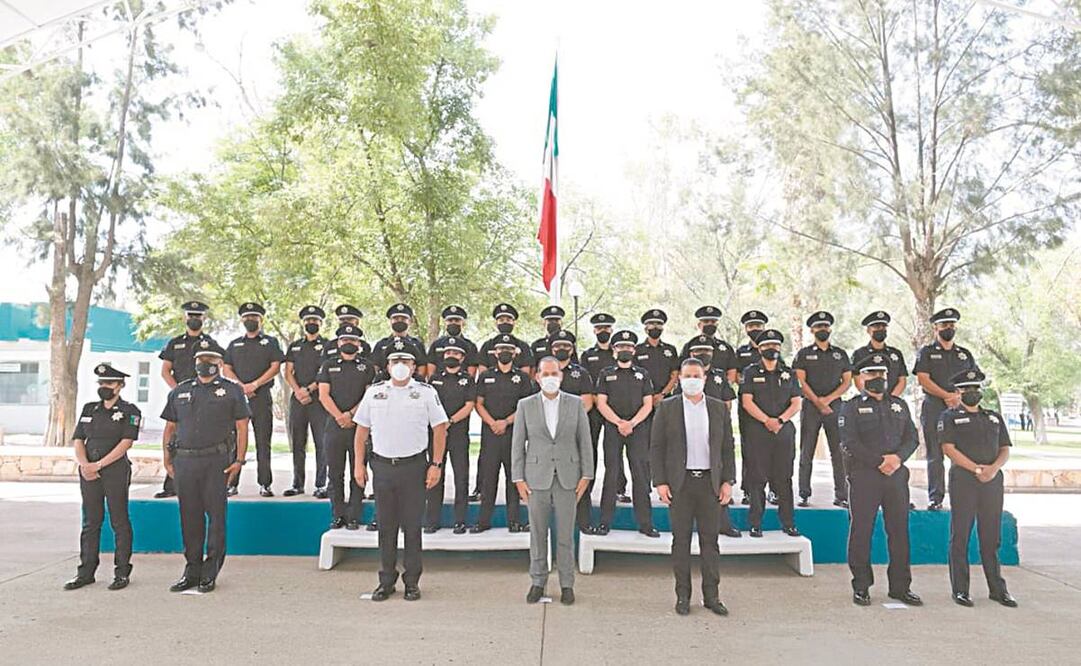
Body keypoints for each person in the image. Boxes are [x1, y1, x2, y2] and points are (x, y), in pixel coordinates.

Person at [352, 349, 448, 602]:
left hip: (414, 468)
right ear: (387, 365)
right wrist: (358, 466)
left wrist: (436, 464)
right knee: (385, 527)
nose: (400, 365)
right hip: (382, 467)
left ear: (414, 366)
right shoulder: (374, 392)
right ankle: (386, 580)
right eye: (395, 361)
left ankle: (412, 582)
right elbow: (361, 432)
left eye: (405, 361)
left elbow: (440, 429)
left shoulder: (426, 392)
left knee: (413, 527)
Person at [160, 339, 250, 594]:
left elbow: (242, 426)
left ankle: (210, 571)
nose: (205, 365)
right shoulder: (181, 390)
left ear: (220, 364)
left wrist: (239, 461)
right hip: (185, 461)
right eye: (201, 361)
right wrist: (167, 458)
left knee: (216, 518)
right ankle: (191, 570)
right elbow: (170, 427)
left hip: (216, 462)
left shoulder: (232, 390)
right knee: (189, 518)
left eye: (211, 361)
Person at [651, 358, 736, 616]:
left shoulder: (718, 408)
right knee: (681, 542)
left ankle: (712, 596)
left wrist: (728, 481)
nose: (691, 380)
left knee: (710, 542)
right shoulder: (667, 408)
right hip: (680, 484)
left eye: (696, 375)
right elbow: (656, 448)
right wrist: (661, 482)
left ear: (704, 378)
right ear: (679, 379)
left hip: (710, 484)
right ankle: (683, 596)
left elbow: (728, 448)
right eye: (686, 375)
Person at [839, 353, 922, 607]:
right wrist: (879, 462)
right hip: (865, 476)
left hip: (896, 477)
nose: (878, 378)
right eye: (871, 374)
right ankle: (861, 586)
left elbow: (912, 438)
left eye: (882, 374)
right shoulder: (850, 407)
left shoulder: (899, 404)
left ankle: (900, 587)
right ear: (860, 378)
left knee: (898, 532)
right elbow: (850, 442)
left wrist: (896, 459)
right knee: (862, 531)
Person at [512, 357, 593, 606]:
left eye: (554, 373)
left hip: (568, 478)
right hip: (536, 479)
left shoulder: (575, 404)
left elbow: (585, 441)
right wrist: (518, 478)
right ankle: (538, 581)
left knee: (566, 535)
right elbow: (518, 444)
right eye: (545, 373)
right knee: (537, 534)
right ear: (537, 376)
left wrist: (586, 475)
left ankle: (567, 584)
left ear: (561, 376)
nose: (550, 377)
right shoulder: (525, 405)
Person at [940, 369, 1017, 608]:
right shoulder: (949, 417)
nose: (971, 392)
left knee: (991, 536)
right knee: (961, 535)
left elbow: (1004, 447)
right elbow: (948, 448)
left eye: (975, 388)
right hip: (964, 480)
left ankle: (997, 589)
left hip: (992, 481)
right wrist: (976, 469)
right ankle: (961, 590)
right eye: (965, 389)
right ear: (958, 392)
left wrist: (993, 469)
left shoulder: (993, 417)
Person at [64, 364, 141, 591]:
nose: (104, 387)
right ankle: (86, 572)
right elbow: (78, 439)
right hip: (89, 472)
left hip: (114, 470)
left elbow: (126, 442)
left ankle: (121, 572)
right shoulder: (89, 409)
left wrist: (99, 464)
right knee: (90, 522)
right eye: (101, 383)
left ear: (120, 385)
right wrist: (85, 465)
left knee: (119, 520)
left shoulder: (130, 410)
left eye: (109, 383)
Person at [675, 336, 742, 538]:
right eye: (697, 352)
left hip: (715, 429)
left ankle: (724, 524)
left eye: (706, 351)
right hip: (691, 430)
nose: (702, 355)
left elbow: (728, 400)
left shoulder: (719, 375)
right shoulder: (687, 377)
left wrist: (720, 421)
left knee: (718, 478)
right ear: (691, 354)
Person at [913, 308, 979, 510]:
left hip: (960, 409)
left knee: (962, 453)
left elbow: (974, 380)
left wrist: (958, 398)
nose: (948, 328)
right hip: (934, 406)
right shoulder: (927, 352)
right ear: (936, 328)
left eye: (951, 325)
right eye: (944, 325)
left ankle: (964, 496)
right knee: (935, 454)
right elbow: (923, 379)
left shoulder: (964, 354)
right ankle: (936, 497)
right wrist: (946, 396)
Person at [739, 329, 801, 538]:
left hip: (783, 432)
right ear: (759, 348)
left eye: (775, 345)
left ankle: (788, 523)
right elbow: (747, 402)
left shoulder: (789, 373)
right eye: (766, 346)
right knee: (757, 479)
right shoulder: (750, 372)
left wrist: (780, 420)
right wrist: (767, 420)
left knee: (784, 479)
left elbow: (796, 402)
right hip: (758, 431)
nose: (771, 349)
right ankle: (755, 524)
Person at [595, 330, 657, 537]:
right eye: (620, 347)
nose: (625, 350)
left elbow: (648, 404)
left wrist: (632, 423)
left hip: (638, 429)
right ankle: (605, 522)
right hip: (613, 428)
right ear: (614, 351)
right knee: (611, 474)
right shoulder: (605, 374)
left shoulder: (643, 374)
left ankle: (646, 524)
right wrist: (619, 422)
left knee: (640, 475)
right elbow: (600, 403)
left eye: (629, 347)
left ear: (634, 350)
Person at [472, 335, 537, 532]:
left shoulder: (523, 378)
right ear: (495, 353)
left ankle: (514, 521)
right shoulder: (485, 376)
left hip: (513, 434)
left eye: (509, 349)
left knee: (514, 478)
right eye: (501, 349)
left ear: (515, 353)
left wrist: (506, 422)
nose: (504, 352)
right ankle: (483, 522)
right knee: (488, 480)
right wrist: (493, 423)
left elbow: (526, 406)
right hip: (490, 433)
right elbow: (478, 403)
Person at [154, 300, 217, 499]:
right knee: (174, 438)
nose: (194, 319)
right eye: (191, 315)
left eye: (198, 316)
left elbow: (218, 368)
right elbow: (165, 371)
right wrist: (178, 391)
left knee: (202, 438)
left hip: (205, 398)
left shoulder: (210, 343)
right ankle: (171, 482)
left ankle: (204, 484)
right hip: (180, 398)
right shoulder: (174, 343)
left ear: (203, 319)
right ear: (185, 317)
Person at [317, 324, 377, 530]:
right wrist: (339, 416)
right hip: (334, 426)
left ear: (359, 344)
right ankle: (338, 515)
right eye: (345, 340)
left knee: (358, 470)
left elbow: (369, 396)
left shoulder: (367, 366)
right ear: (338, 343)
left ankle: (354, 515)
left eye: (353, 341)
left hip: (359, 426)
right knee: (334, 473)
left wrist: (351, 414)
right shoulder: (328, 365)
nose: (349, 343)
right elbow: (323, 394)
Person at [223, 302, 284, 497]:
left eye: (254, 317)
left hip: (261, 396)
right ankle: (231, 483)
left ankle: (265, 484)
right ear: (241, 320)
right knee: (234, 440)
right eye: (247, 317)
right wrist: (241, 386)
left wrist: (255, 385)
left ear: (261, 319)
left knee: (263, 441)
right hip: (238, 398)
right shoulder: (234, 344)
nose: (250, 320)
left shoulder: (271, 342)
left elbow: (275, 366)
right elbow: (226, 368)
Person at [792, 311, 852, 508]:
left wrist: (828, 399)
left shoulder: (840, 354)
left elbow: (847, 382)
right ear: (812, 330)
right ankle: (803, 493)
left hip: (835, 406)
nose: (822, 330)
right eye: (819, 327)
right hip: (810, 406)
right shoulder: (804, 354)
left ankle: (841, 494)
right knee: (806, 450)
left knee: (839, 451)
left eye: (825, 326)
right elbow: (800, 380)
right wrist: (818, 401)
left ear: (830, 329)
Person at [424, 338, 476, 534]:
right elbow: (429, 405)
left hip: (458, 434)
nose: (450, 356)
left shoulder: (468, 380)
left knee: (461, 477)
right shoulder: (434, 379)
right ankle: (431, 520)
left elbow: (469, 405)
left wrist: (449, 422)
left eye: (455, 354)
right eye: (447, 354)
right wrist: (439, 424)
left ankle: (460, 521)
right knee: (435, 475)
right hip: (436, 436)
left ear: (462, 358)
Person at [580, 312, 628, 504]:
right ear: (594, 331)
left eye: (606, 328)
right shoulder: (587, 355)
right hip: (592, 410)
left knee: (615, 452)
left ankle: (619, 488)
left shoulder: (618, 353)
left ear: (611, 330)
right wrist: (594, 400)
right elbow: (584, 380)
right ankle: (586, 489)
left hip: (612, 411)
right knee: (589, 449)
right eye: (599, 329)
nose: (603, 331)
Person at [283, 305, 329, 498]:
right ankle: (297, 483)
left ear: (320, 323)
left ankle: (321, 484)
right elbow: (288, 372)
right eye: (308, 321)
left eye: (315, 321)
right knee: (298, 443)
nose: (311, 323)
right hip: (298, 400)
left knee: (322, 443)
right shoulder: (295, 346)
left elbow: (325, 372)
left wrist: (309, 389)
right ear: (303, 323)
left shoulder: (327, 345)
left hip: (319, 400)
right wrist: (298, 391)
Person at [734, 310, 768, 506]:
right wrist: (752, 384)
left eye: (758, 325)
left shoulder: (772, 349)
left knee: (772, 451)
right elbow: (736, 376)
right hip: (748, 406)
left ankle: (772, 490)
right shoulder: (741, 352)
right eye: (751, 326)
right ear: (746, 329)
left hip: (772, 407)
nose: (754, 329)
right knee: (749, 448)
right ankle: (748, 490)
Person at [851, 311, 908, 397]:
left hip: (892, 401)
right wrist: (872, 398)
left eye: (883, 327)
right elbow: (857, 380)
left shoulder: (896, 354)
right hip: (869, 401)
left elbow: (902, 380)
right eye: (877, 327)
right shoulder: (859, 354)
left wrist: (890, 400)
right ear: (868, 330)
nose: (881, 329)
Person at [636, 308, 680, 404]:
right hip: (642, 399)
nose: (655, 327)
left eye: (659, 324)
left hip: (666, 398)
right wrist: (648, 396)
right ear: (646, 329)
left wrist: (663, 394)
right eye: (652, 324)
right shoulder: (637, 350)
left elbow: (675, 375)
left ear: (662, 328)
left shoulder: (671, 349)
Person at [371, 303, 428, 377]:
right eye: (396, 319)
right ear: (390, 321)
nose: (399, 321)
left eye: (404, 319)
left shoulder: (417, 344)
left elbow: (422, 368)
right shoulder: (381, 344)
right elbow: (375, 368)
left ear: (410, 321)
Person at [477, 303, 534, 375]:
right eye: (501, 320)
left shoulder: (523, 346)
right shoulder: (487, 346)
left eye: (508, 320)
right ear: (496, 323)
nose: (505, 322)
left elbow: (525, 375)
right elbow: (482, 374)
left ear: (514, 323)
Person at [426, 305, 480, 376]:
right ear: (445, 322)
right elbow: (431, 371)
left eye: (457, 321)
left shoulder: (470, 346)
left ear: (463, 323)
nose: (453, 323)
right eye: (450, 320)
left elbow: (471, 373)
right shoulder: (436, 344)